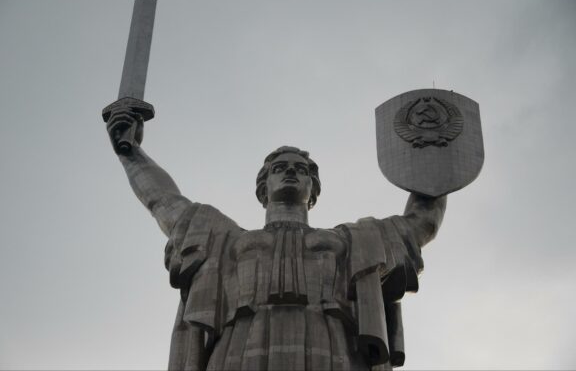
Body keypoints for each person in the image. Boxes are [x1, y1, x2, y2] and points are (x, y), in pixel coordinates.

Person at [106, 106, 446, 371]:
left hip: (331, 347)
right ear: (262, 187)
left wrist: (437, 153)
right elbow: (164, 201)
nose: (291, 172)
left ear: (313, 191)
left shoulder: (350, 241)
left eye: (301, 169)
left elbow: (420, 222)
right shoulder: (224, 239)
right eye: (280, 168)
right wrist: (130, 151)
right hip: (241, 347)